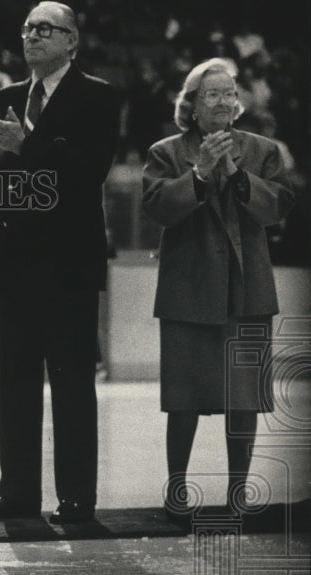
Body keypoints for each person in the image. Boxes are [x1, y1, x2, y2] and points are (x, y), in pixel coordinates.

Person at [0, 1, 120, 524]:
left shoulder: (97, 96)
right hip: (13, 257)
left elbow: (85, 174)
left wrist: (24, 146)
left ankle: (77, 496)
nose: (32, 36)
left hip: (68, 261)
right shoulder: (8, 96)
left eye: (45, 29)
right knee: (16, 381)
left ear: (71, 41)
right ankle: (17, 493)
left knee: (72, 381)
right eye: (27, 28)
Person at [141, 58, 294, 525]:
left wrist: (237, 173)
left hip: (246, 291)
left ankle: (238, 495)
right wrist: (201, 173)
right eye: (213, 94)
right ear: (190, 105)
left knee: (242, 398)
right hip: (189, 291)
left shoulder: (263, 150)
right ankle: (176, 491)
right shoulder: (166, 152)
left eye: (230, 93)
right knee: (184, 398)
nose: (225, 101)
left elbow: (278, 208)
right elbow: (158, 209)